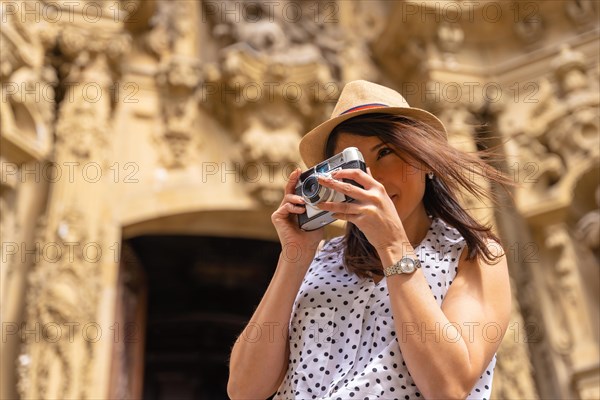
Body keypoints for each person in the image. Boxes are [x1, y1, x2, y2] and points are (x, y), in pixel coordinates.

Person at [227, 80, 512, 399]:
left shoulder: (473, 255)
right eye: (353, 164)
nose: (370, 178)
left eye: (385, 152)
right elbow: (244, 389)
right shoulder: (318, 259)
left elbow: (448, 386)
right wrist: (294, 257)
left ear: (426, 160)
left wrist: (393, 247)